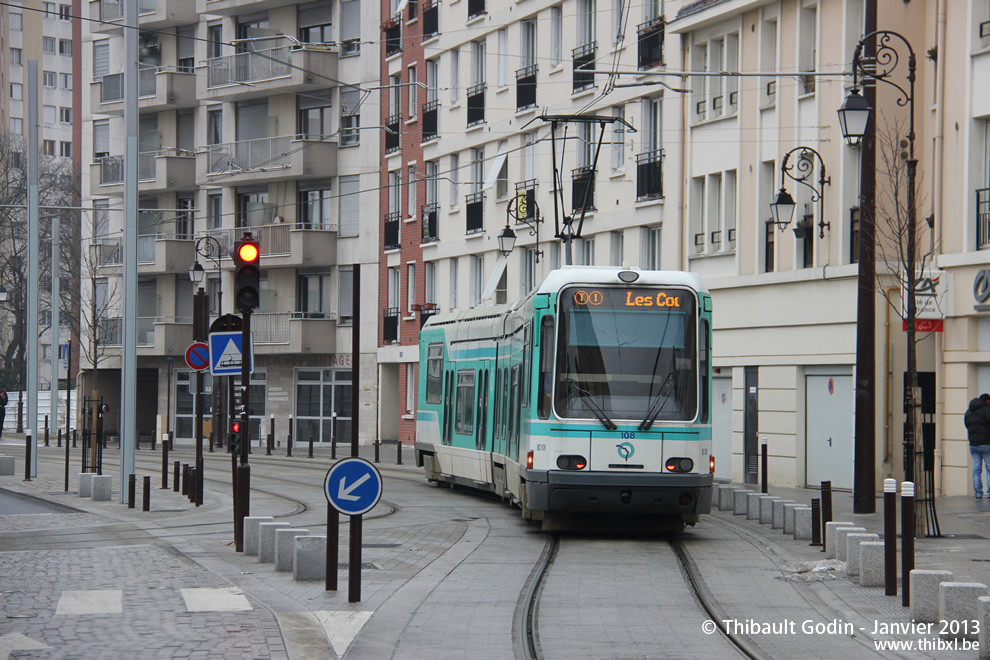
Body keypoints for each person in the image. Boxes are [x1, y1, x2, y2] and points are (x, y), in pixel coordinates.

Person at [964, 393, 990, 499]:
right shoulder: (987, 410)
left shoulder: (969, 411)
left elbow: (967, 424)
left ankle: (978, 493)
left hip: (973, 443)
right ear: (987, 401)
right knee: (989, 469)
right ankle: (989, 493)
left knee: (976, 469)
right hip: (986, 443)